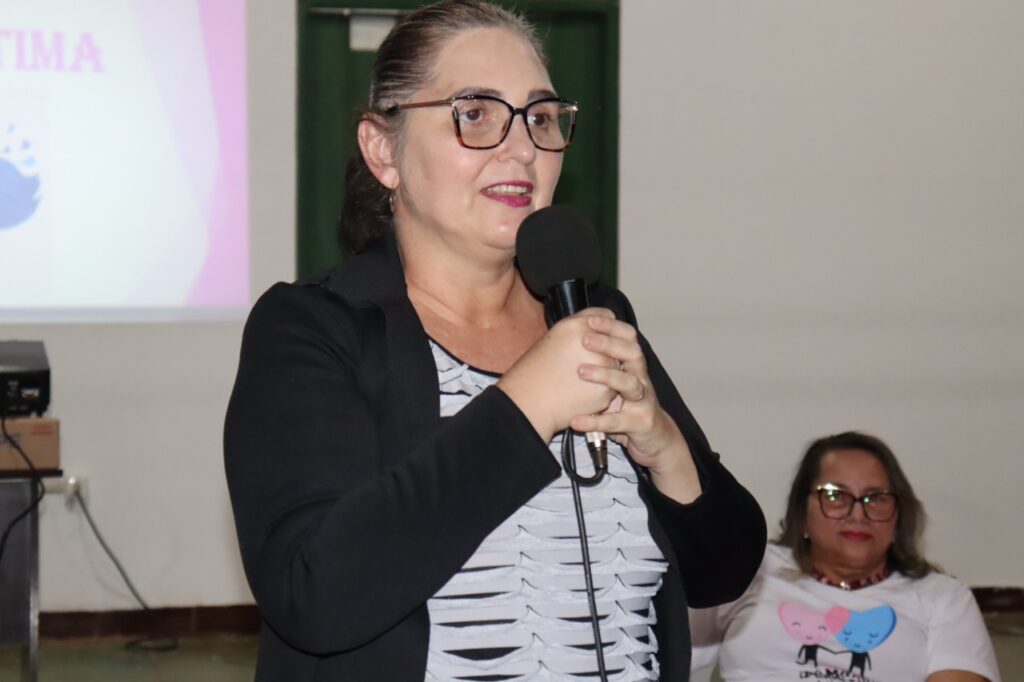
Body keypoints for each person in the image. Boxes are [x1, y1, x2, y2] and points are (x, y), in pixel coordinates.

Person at [224, 2, 766, 679]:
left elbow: (723, 571)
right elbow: (316, 595)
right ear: (383, 150)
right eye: (475, 113)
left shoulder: (594, 314)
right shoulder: (312, 329)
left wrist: (666, 448)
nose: (522, 148)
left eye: (540, 118)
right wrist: (526, 405)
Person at [689, 431, 1001, 682]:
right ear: (801, 512)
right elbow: (666, 652)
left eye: (875, 498)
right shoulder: (751, 567)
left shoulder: (943, 596)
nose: (857, 514)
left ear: (899, 516)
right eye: (835, 495)